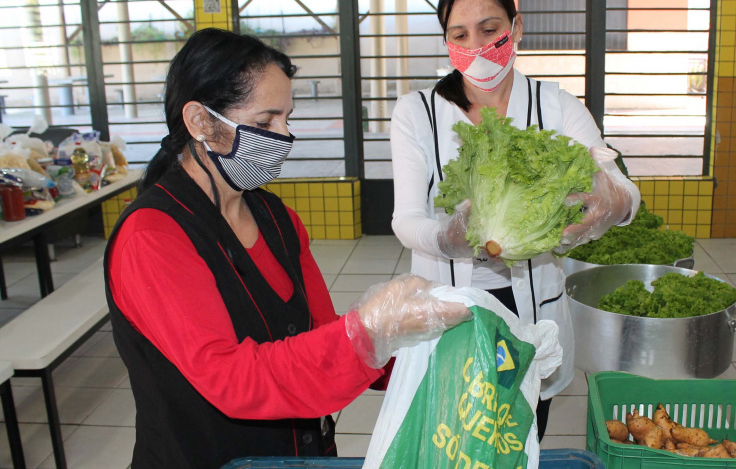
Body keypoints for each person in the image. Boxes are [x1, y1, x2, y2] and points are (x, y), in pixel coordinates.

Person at [105, 28, 470, 468]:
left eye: (287, 118)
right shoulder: (154, 237)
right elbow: (232, 379)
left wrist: (419, 347)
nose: (285, 137)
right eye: (264, 122)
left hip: (297, 454)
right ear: (201, 122)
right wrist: (367, 334)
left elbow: (317, 332)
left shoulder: (276, 219)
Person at [390, 0, 641, 440]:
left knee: (520, 435)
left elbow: (623, 190)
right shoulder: (417, 113)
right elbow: (405, 220)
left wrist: (615, 200)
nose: (477, 46)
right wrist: (447, 240)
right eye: (459, 35)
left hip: (530, 307)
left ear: (515, 28)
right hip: (449, 306)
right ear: (445, 41)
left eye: (490, 30)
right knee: (453, 438)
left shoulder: (557, 105)